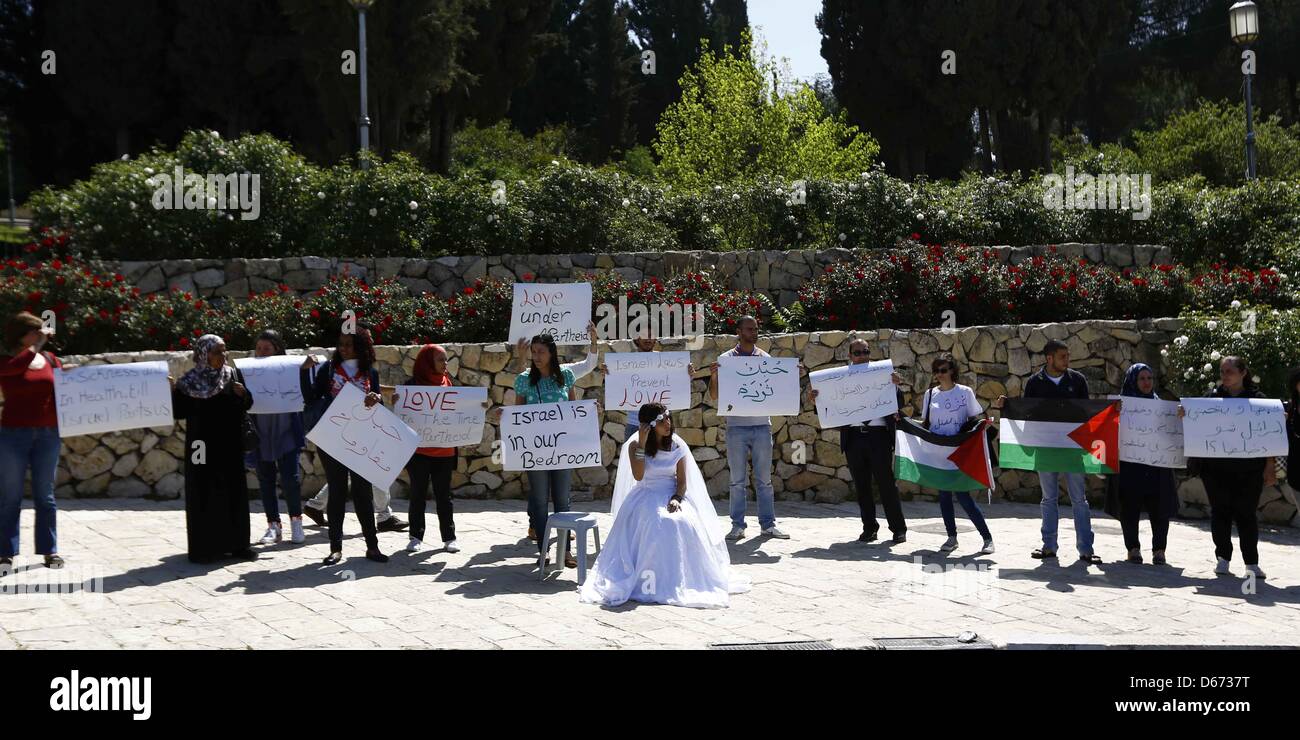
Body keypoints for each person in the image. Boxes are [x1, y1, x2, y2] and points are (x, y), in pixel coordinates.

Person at [580, 403, 750, 608]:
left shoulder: (677, 445)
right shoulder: (635, 446)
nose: (667, 423)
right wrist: (642, 443)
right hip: (646, 493)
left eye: (668, 418)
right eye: (661, 421)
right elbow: (639, 475)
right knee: (656, 522)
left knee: (682, 522)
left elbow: (682, 482)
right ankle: (649, 579)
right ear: (649, 426)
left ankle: (679, 576)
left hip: (671, 493)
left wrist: (677, 498)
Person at [1000, 339, 1101, 564]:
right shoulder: (1035, 382)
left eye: (1067, 356)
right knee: (1048, 498)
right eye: (1062, 356)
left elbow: (1086, 413)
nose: (1067, 360)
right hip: (1045, 449)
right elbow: (1027, 413)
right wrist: (1007, 406)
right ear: (1049, 358)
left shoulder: (1078, 380)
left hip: (1073, 449)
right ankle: (1049, 546)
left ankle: (1086, 549)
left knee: (1079, 499)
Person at [301, 326, 389, 564]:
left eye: (349, 344)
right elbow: (310, 399)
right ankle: (335, 547)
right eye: (340, 344)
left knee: (363, 493)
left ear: (360, 346)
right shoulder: (328, 371)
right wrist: (303, 373)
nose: (343, 348)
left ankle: (372, 547)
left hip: (361, 439)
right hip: (333, 439)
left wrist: (376, 399)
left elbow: (379, 405)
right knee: (338, 492)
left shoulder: (370, 372)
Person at [809, 336, 906, 544]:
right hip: (854, 438)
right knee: (862, 487)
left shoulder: (883, 375)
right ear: (850, 356)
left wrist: (896, 386)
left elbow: (898, 403)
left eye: (866, 352)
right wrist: (817, 398)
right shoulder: (840, 379)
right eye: (858, 353)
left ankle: (898, 529)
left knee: (886, 484)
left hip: (879, 436)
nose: (863, 356)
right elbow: (829, 408)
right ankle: (869, 528)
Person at [1184, 356, 1273, 580]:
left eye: (1229, 371)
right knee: (1220, 513)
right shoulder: (1211, 399)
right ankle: (1223, 558)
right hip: (1215, 470)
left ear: (1243, 373)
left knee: (1246, 514)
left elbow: (1270, 436)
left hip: (1249, 471)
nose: (1224, 376)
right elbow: (1194, 421)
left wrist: (1270, 465)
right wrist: (1185, 414)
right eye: (1222, 371)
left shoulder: (1258, 400)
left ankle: (1251, 563)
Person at [171, 334, 256, 563]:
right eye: (218, 351)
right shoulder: (188, 382)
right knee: (202, 490)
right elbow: (179, 412)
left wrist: (243, 395)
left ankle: (238, 545)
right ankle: (205, 547)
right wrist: (173, 392)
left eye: (224, 350)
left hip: (228, 444)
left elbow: (246, 405)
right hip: (200, 445)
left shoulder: (232, 376)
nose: (223, 355)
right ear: (203, 355)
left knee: (234, 491)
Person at [709, 316, 787, 540]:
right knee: (737, 481)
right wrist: (714, 375)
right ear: (739, 331)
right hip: (736, 428)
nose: (754, 332)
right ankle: (737, 525)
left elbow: (776, 390)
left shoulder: (765, 358)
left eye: (756, 328)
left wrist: (791, 377)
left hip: (762, 426)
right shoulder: (726, 359)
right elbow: (715, 396)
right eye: (749, 329)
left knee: (764, 480)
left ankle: (768, 525)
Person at [0, 312, 65, 571]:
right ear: (21, 334)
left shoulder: (50, 359)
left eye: (41, 332)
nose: (39, 336)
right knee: (10, 496)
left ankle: (50, 551)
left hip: (48, 434)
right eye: (34, 332)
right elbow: (15, 369)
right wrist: (36, 346)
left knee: (45, 496)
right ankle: (5, 552)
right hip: (13, 435)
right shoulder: (6, 360)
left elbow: (65, 387)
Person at [510, 333, 581, 568]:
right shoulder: (524, 380)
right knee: (539, 502)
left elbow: (573, 410)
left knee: (563, 501)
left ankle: (566, 551)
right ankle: (542, 550)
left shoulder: (566, 377)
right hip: (535, 452)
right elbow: (518, 413)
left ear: (552, 353)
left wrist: (591, 413)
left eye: (541, 351)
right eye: (534, 351)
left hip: (562, 451)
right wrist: (507, 417)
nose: (537, 356)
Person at [917, 353, 994, 554]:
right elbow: (925, 423)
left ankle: (987, 538)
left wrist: (983, 426)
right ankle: (951, 537)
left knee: (963, 496)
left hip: (960, 451)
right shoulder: (930, 394)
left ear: (952, 370)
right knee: (944, 496)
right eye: (936, 371)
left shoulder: (964, 392)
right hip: (939, 452)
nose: (939, 375)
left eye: (943, 370)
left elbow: (973, 419)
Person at [1108, 363, 1177, 565]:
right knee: (1129, 507)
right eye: (1142, 379)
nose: (1147, 383)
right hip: (1130, 465)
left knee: (1160, 508)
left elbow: (1172, 431)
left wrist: (1179, 416)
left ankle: (1159, 550)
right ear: (1132, 381)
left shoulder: (1161, 407)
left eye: (1149, 378)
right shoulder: (1122, 406)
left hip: (1157, 466)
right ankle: (1133, 548)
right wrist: (1114, 413)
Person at [400, 344, 465, 554]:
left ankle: (449, 537)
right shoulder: (412, 387)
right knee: (417, 494)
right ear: (427, 362)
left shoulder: (449, 384)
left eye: (446, 360)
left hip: (444, 452)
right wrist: (397, 404)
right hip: (419, 453)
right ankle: (415, 536)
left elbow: (460, 412)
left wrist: (476, 408)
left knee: (444, 496)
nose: (445, 364)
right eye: (440, 360)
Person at [246, 330, 306, 546]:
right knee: (265, 479)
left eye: (267, 349)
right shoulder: (248, 372)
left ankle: (297, 523)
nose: (262, 353)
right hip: (261, 433)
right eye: (259, 349)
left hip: (286, 431)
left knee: (291, 479)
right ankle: (274, 526)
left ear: (278, 350)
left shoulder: (290, 369)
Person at [598, 330, 695, 442]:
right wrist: (608, 375)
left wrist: (688, 374)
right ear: (636, 339)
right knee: (633, 458)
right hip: (635, 424)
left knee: (664, 459)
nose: (648, 338)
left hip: (662, 425)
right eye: (644, 335)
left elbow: (678, 384)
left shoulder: (668, 361)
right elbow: (617, 386)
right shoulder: (623, 363)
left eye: (651, 335)